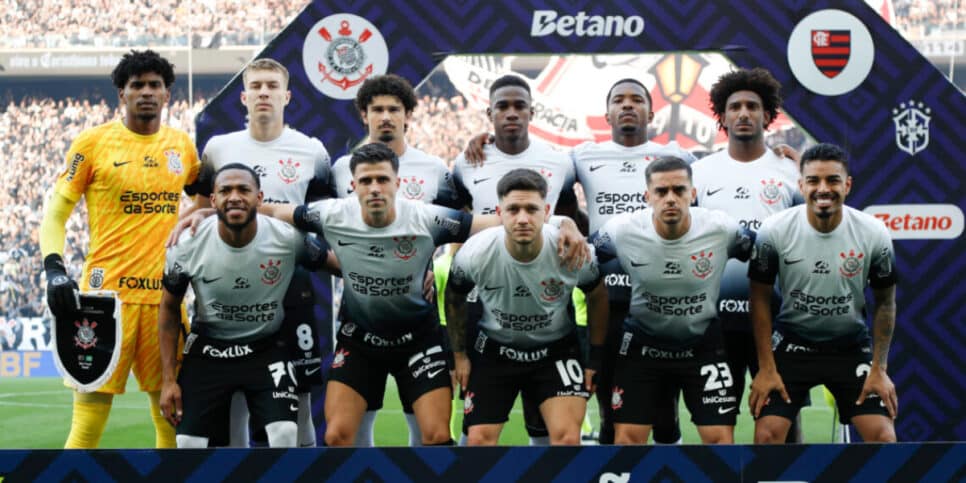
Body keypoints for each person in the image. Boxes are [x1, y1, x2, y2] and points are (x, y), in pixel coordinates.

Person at [258, 143, 588, 447]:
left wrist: (562, 222)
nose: (375, 188)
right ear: (353, 186)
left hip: (417, 340)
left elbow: (499, 219)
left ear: (398, 183)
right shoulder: (329, 214)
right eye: (366, 180)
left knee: (437, 435)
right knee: (337, 435)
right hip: (360, 341)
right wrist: (206, 213)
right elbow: (273, 212)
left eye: (383, 179)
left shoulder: (426, 218)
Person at [464, 78, 694, 445]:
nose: (628, 105)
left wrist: (783, 156)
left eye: (637, 100)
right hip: (612, 295)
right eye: (619, 99)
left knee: (664, 413)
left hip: (661, 296)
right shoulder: (580, 157)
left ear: (652, 111)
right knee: (607, 409)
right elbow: (542, 196)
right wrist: (485, 139)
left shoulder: (679, 157)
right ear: (607, 113)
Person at [39, 49, 200, 449]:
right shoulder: (93, 143)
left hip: (164, 300)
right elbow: (56, 212)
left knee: (171, 418)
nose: (146, 92)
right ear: (121, 95)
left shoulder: (181, 146)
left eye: (155, 85)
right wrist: (54, 268)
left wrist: (193, 223)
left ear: (167, 96)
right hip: (103, 300)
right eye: (137, 85)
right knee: (88, 422)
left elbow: (205, 200)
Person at [190, 58, 332, 447]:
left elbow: (323, 218)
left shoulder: (312, 151)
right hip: (231, 282)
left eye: (272, 86)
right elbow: (201, 209)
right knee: (233, 393)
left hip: (293, 285)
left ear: (286, 96)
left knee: (301, 391)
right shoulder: (219, 148)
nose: (264, 92)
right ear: (244, 97)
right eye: (256, 86)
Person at [330, 73, 460, 445]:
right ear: (364, 115)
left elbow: (460, 225)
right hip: (360, 317)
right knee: (348, 431)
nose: (385, 117)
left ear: (407, 115)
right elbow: (317, 229)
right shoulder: (342, 169)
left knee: (429, 432)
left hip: (418, 318)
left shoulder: (434, 169)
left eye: (394, 109)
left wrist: (435, 267)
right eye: (377, 110)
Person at [159, 164, 324, 448]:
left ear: (259, 199)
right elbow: (169, 309)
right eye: (225, 190)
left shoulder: (287, 238)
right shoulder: (185, 245)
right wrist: (168, 379)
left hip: (266, 347)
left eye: (243, 190)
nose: (234, 196)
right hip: (209, 350)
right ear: (213, 200)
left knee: (285, 435)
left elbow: (335, 264)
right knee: (187, 443)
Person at [591, 156, 753, 444]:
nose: (670, 199)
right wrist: (565, 225)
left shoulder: (721, 229)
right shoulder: (621, 230)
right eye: (661, 192)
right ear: (647, 197)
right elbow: (584, 257)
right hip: (642, 345)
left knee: (720, 441)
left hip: (702, 343)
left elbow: (765, 252)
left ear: (693, 194)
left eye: (679, 190)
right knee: (627, 440)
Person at [451, 74, 577, 445]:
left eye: (519, 105)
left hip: (543, 289)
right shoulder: (466, 161)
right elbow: (457, 221)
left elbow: (567, 216)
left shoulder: (559, 161)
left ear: (532, 112)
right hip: (485, 297)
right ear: (488, 113)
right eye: (502, 106)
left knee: (547, 424)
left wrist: (568, 221)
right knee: (477, 430)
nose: (511, 113)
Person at [748, 143, 898, 443]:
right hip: (792, 347)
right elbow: (759, 298)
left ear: (848, 185)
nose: (823, 189)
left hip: (849, 348)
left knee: (883, 437)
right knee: (767, 437)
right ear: (801, 185)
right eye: (814, 181)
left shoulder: (874, 232)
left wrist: (879, 369)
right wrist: (765, 368)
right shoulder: (774, 230)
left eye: (833, 180)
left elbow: (885, 302)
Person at [446, 168, 608, 445]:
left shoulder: (571, 250)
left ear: (546, 211)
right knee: (478, 441)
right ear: (500, 212)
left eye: (531, 209)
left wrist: (594, 358)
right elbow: (454, 297)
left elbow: (597, 295)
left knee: (568, 439)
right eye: (513, 209)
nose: (522, 218)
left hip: (555, 352)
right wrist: (459, 355)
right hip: (495, 352)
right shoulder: (475, 252)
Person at [692, 67, 804, 442]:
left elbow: (823, 225)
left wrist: (804, 168)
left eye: (752, 106)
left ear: (767, 115)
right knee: (716, 434)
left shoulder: (790, 171)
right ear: (722, 116)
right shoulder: (699, 172)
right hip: (715, 322)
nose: (743, 113)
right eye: (734, 106)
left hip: (776, 320)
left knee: (778, 431)